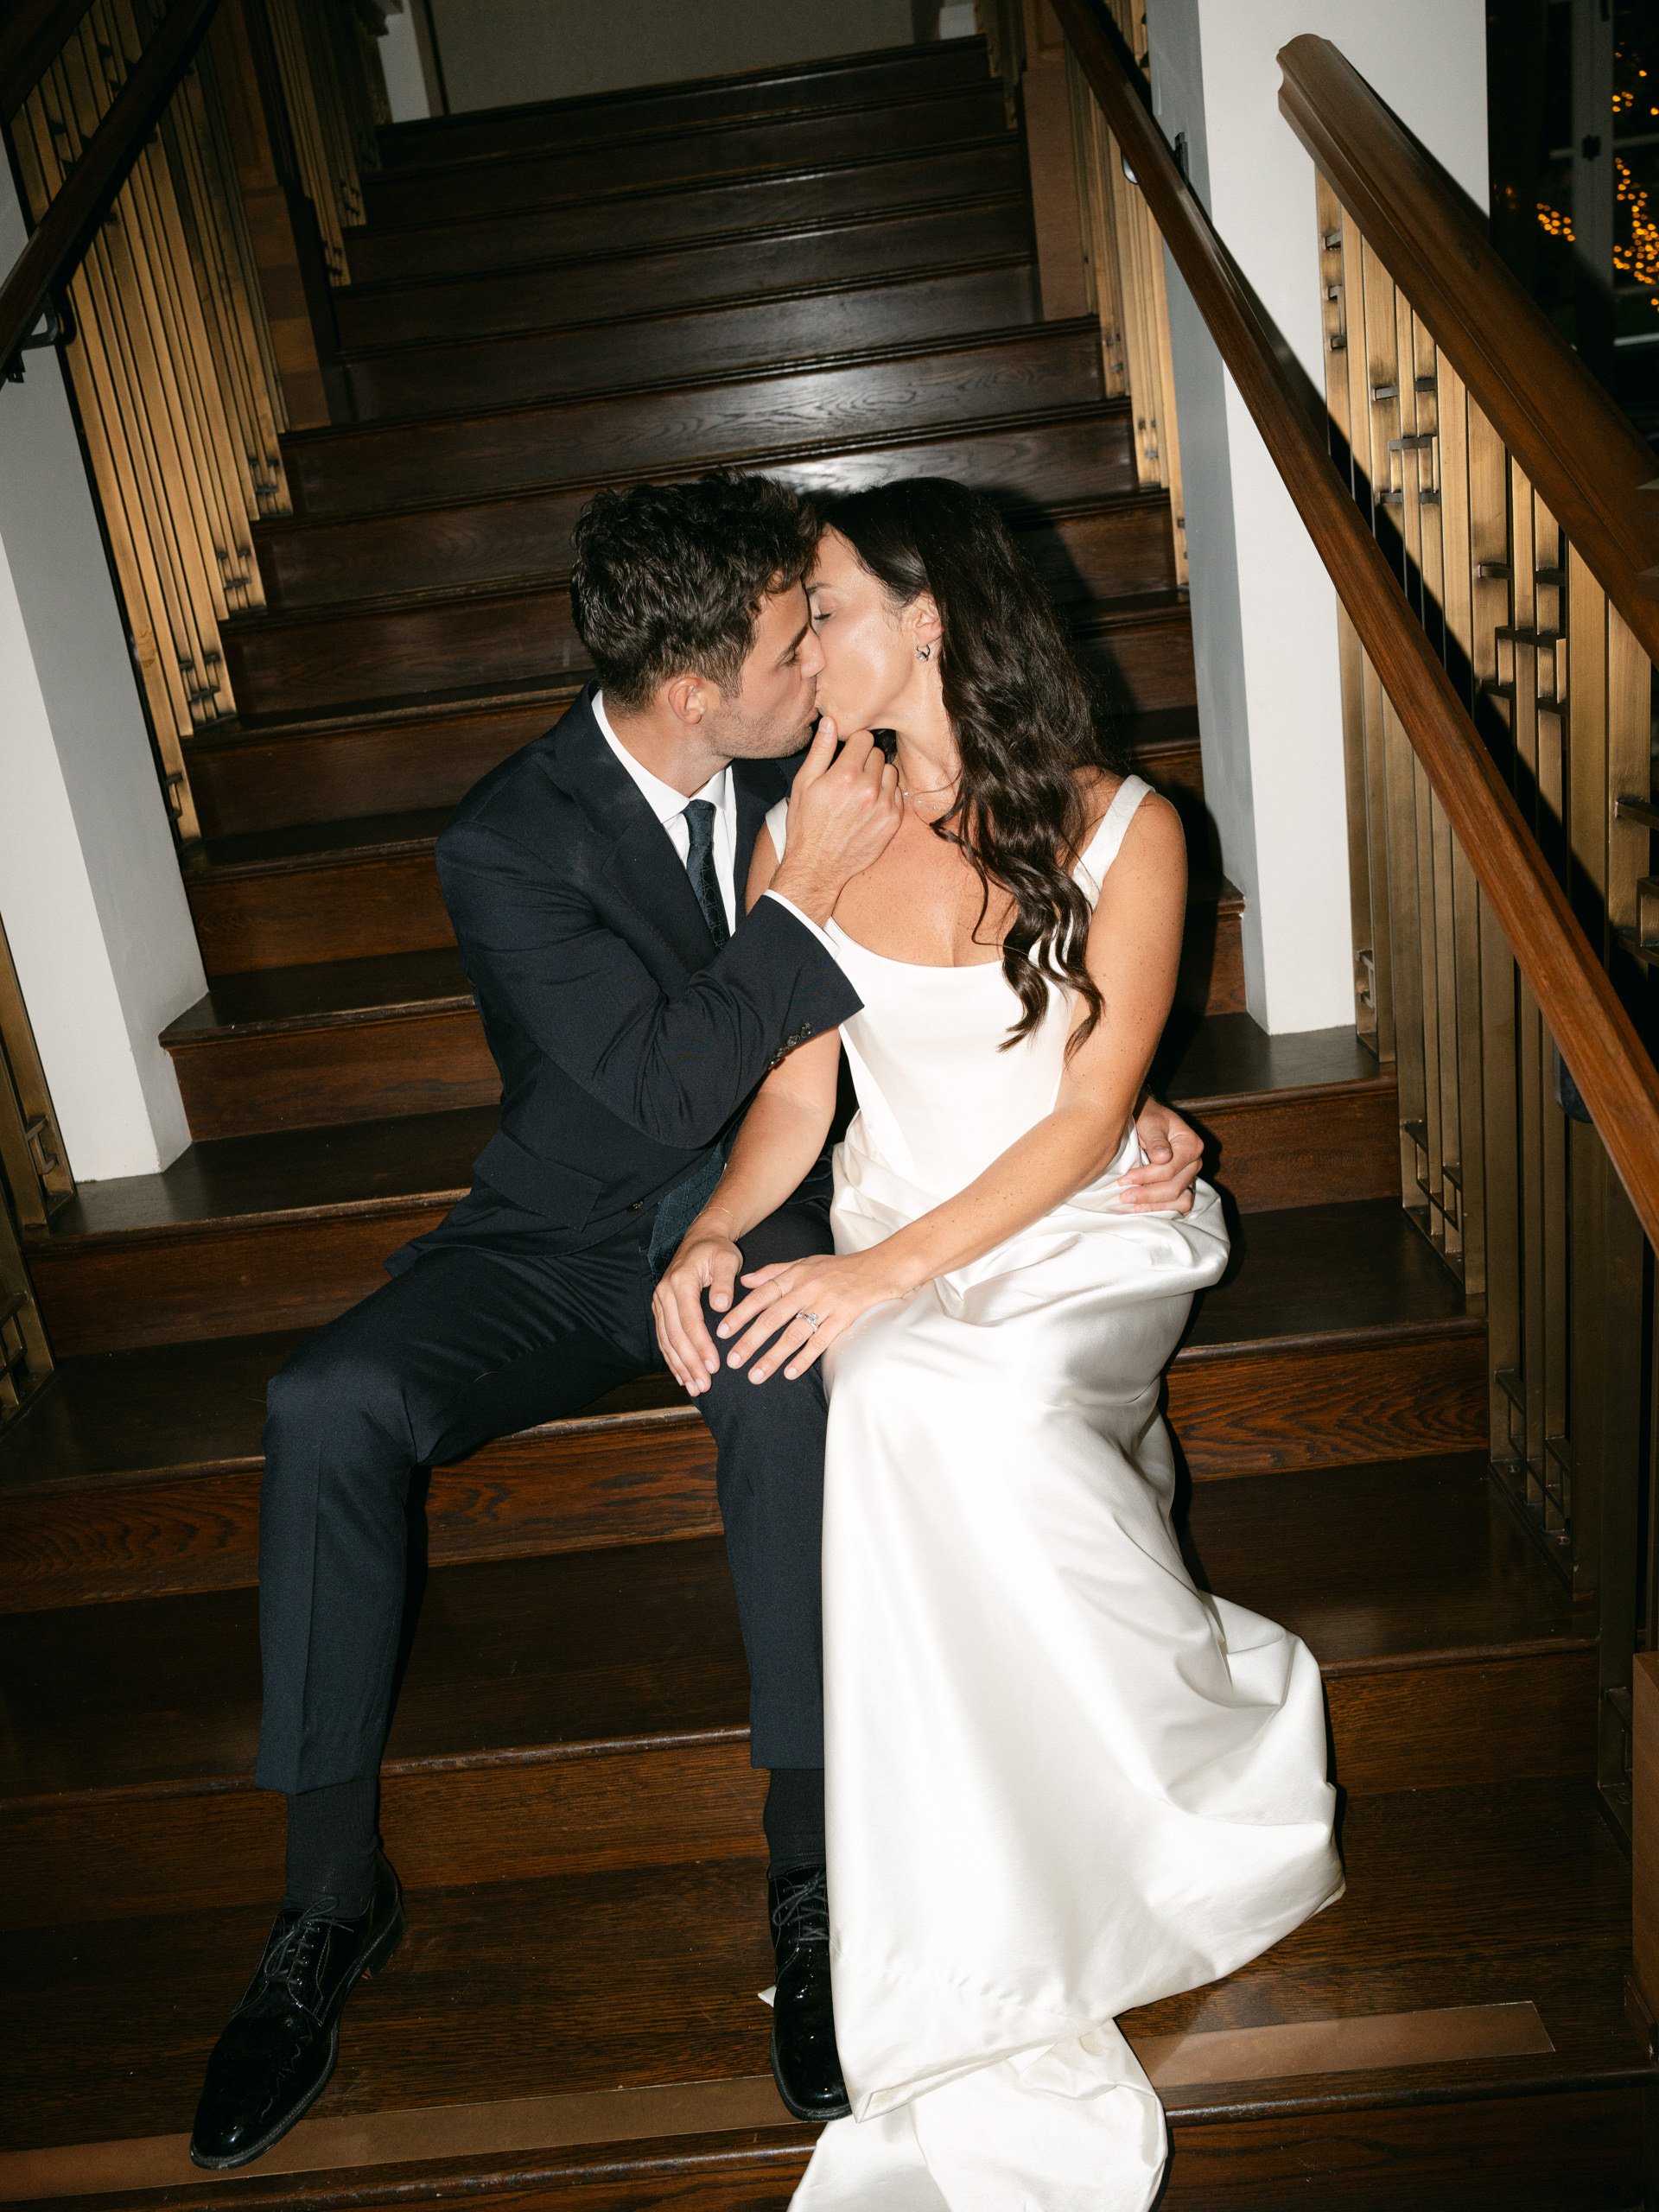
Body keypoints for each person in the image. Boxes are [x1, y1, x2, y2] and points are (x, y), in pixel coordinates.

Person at [188, 471, 1205, 2171]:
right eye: (788, 638)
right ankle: (322, 1900)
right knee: (324, 1404)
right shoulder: (509, 836)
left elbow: (1015, 952)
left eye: (827, 619)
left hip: (762, 1209)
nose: (817, 657)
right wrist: (800, 900)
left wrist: (1126, 1110)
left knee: (788, 1373)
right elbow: (667, 1078)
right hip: (564, 1228)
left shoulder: (845, 758)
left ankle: (814, 1873)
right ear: (693, 688)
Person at [651, 479, 1343, 2208]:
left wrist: (887, 1282)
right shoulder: (801, 818)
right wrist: (732, 1225)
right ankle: (971, 1872)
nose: (798, 642)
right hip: (897, 1228)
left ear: (932, 615)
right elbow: (799, 1088)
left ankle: (1184, 1762)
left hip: (1087, 1229)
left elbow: (1095, 1107)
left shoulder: (1130, 828)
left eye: (823, 605)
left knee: (937, 1387)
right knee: (881, 1394)